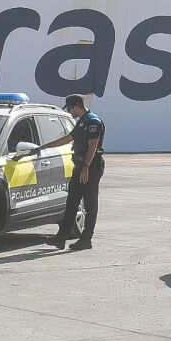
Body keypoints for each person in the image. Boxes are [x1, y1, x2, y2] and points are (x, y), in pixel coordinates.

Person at [45, 95, 106, 250]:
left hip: (91, 167)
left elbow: (93, 146)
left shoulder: (93, 121)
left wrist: (86, 166)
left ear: (76, 106)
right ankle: (61, 237)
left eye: (70, 109)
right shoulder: (82, 121)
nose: (69, 112)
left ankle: (86, 239)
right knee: (72, 201)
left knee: (90, 203)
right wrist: (46, 147)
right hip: (80, 166)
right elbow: (68, 138)